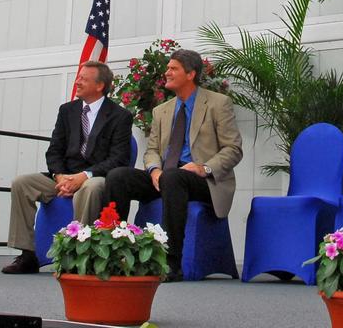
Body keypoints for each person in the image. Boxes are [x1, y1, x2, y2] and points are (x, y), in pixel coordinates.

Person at [104, 49, 243, 282]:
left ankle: (171, 262)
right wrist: (154, 169)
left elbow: (233, 149)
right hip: (167, 176)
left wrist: (203, 168)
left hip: (204, 181)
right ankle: (112, 251)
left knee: (174, 177)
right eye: (168, 68)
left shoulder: (218, 103)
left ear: (190, 74)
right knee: (118, 176)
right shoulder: (161, 110)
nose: (166, 72)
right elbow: (151, 150)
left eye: (173, 68)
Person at [2, 60, 134, 274]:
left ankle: (80, 254)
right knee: (22, 183)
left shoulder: (120, 116)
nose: (77, 81)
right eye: (78, 77)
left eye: (83, 78)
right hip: (64, 176)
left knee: (90, 189)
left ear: (100, 86)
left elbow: (119, 158)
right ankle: (28, 255)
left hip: (95, 176)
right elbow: (54, 150)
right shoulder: (67, 111)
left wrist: (84, 176)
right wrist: (59, 177)